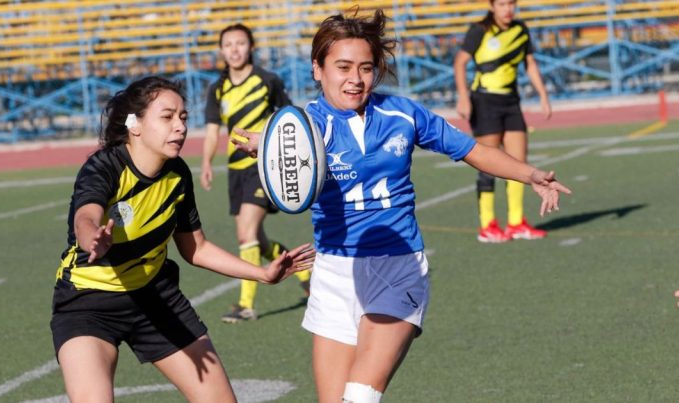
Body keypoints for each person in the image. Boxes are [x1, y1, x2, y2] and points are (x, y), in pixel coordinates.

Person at [233, 9, 570, 403]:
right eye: (342, 67)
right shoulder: (302, 126)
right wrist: (270, 145)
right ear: (317, 69)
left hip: (398, 267)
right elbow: (287, 153)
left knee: (359, 396)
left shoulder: (402, 114)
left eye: (365, 67)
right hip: (334, 272)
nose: (355, 79)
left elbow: (472, 150)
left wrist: (529, 174)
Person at [50, 76, 315, 402]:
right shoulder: (104, 166)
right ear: (135, 125)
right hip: (88, 303)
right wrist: (93, 236)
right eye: (167, 117)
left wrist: (262, 273)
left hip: (155, 298)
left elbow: (196, 247)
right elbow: (85, 216)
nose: (180, 126)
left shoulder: (177, 174)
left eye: (184, 117)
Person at [200, 23, 312, 323]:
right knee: (258, 241)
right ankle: (305, 273)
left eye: (240, 43)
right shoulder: (217, 88)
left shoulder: (268, 80)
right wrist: (207, 162)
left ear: (250, 47)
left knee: (245, 234)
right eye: (228, 44)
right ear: (221, 50)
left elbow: (290, 119)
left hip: (262, 167)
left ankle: (245, 305)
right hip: (235, 171)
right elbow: (212, 132)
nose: (234, 49)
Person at [454, 0, 553, 243]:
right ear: (491, 6)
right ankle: (488, 226)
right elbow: (460, 63)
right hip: (484, 101)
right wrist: (464, 98)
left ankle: (516, 223)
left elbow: (529, 63)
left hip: (511, 102)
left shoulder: (520, 29)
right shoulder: (479, 30)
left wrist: (543, 95)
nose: (507, 9)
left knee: (519, 163)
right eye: (502, 4)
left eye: (511, 4)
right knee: (487, 162)